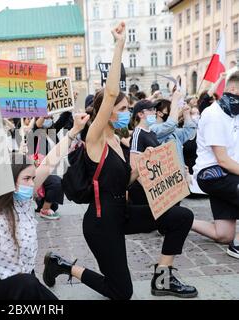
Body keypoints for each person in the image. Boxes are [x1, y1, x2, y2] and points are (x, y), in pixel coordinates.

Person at [42, 22, 197, 300]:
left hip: (122, 214)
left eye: (127, 108)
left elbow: (119, 182)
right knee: (121, 292)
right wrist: (119, 45)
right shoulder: (96, 138)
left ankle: (162, 278)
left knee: (181, 217)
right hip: (101, 224)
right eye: (123, 109)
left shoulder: (118, 140)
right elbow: (111, 92)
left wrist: (139, 171)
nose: (127, 113)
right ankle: (62, 266)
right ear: (108, 112)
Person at [0, 112, 90, 300]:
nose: (32, 183)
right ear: (10, 182)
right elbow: (13, 278)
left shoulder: (23, 200)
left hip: (25, 280)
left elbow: (49, 162)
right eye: (27, 179)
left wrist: (74, 131)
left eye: (33, 178)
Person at [191, 71, 239, 259]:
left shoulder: (234, 113)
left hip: (230, 173)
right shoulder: (213, 114)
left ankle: (179, 218)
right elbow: (223, 160)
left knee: (223, 234)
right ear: (233, 89)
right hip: (211, 174)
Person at [149, 96, 197, 174]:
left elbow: (188, 132)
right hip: (167, 178)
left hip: (179, 176)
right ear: (159, 113)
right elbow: (170, 125)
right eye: (170, 109)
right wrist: (175, 99)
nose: (173, 112)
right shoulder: (153, 129)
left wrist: (186, 114)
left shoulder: (171, 130)